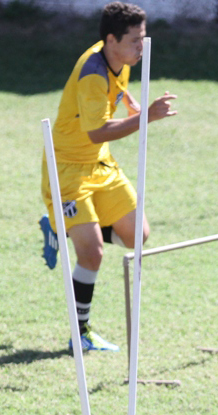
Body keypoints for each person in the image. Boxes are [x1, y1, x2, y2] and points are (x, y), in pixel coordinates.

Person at [39, 1, 177, 352]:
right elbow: (97, 131)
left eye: (143, 39)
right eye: (135, 40)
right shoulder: (92, 74)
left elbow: (115, 90)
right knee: (92, 254)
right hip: (67, 168)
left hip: (101, 165)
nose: (141, 47)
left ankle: (63, 226)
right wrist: (146, 116)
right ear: (111, 40)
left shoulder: (121, 60)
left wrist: (129, 101)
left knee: (138, 235)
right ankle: (80, 333)